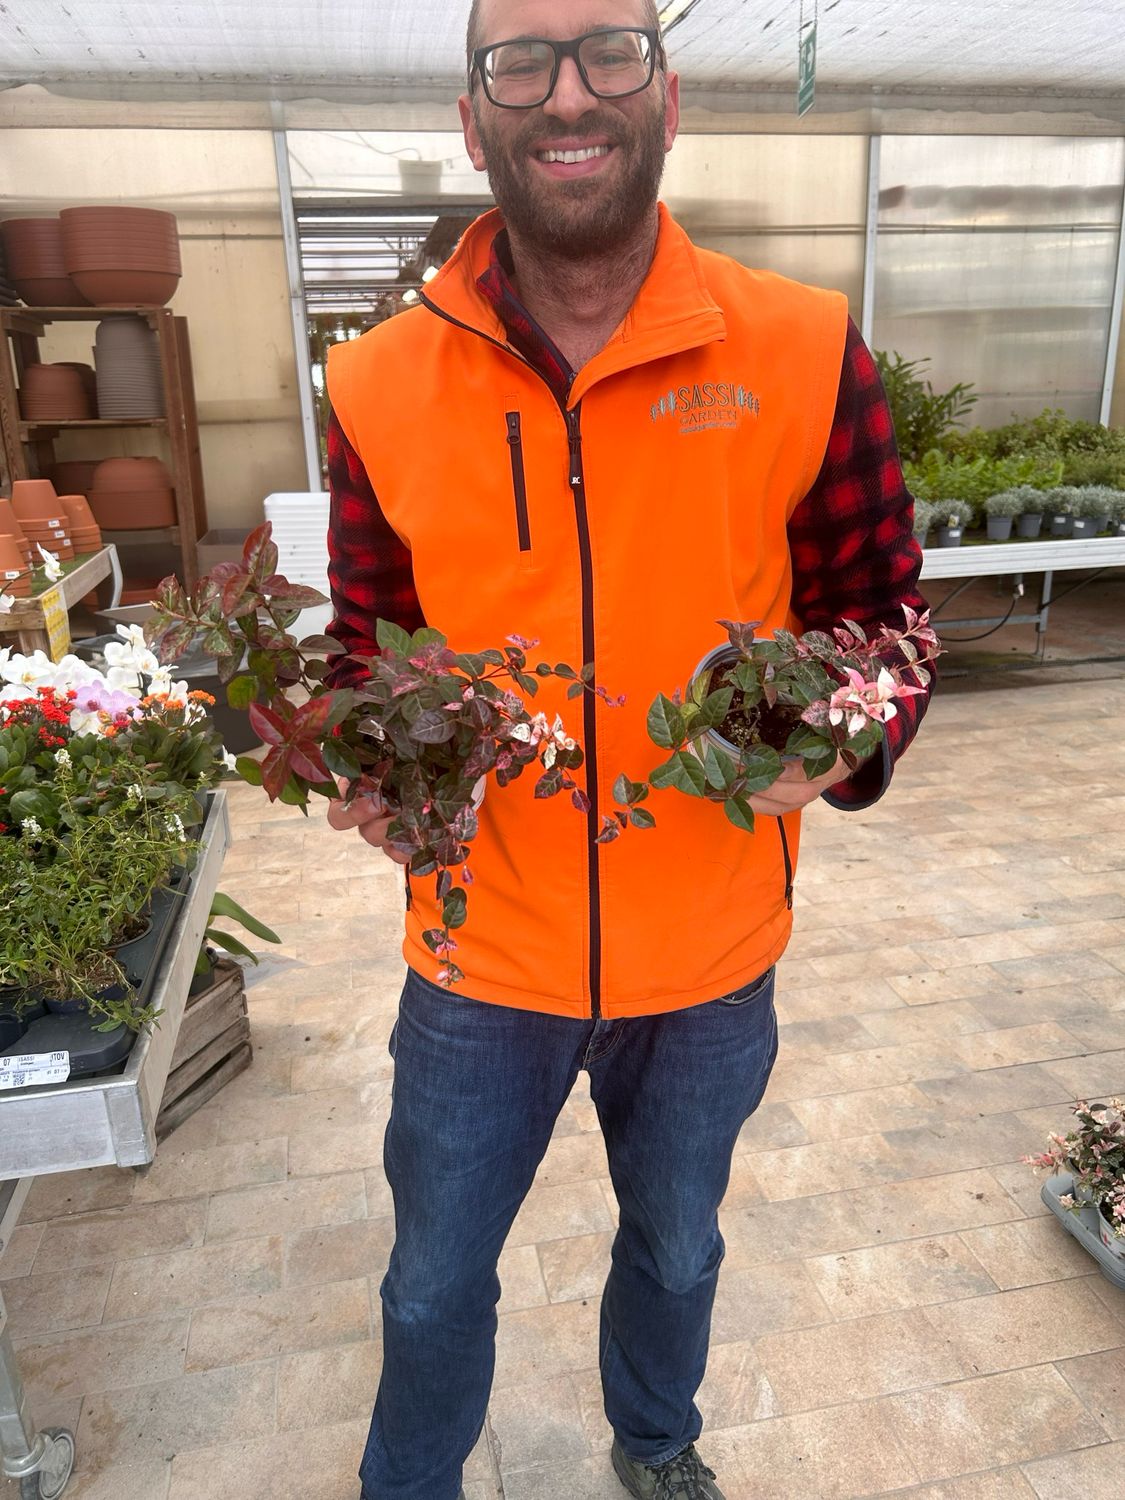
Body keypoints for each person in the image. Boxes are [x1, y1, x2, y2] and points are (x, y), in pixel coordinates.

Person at [323, 2, 932, 1496]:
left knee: (676, 1245)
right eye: (517, 62)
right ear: (472, 117)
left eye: (606, 50)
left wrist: (845, 738)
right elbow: (363, 647)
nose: (564, 93)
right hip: (482, 960)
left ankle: (656, 1444)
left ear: (668, 94)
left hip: (713, 948)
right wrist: (367, 772)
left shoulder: (795, 348)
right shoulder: (381, 384)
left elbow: (886, 615)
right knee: (429, 1283)